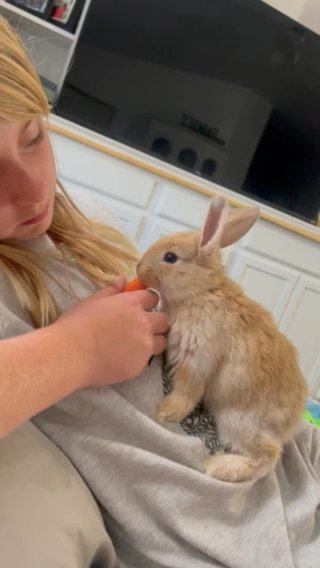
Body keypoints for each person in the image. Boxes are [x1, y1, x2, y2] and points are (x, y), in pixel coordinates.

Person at [0, 14, 319, 568]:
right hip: (236, 532)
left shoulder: (84, 228)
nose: (32, 190)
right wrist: (79, 350)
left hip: (292, 465)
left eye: (34, 138)